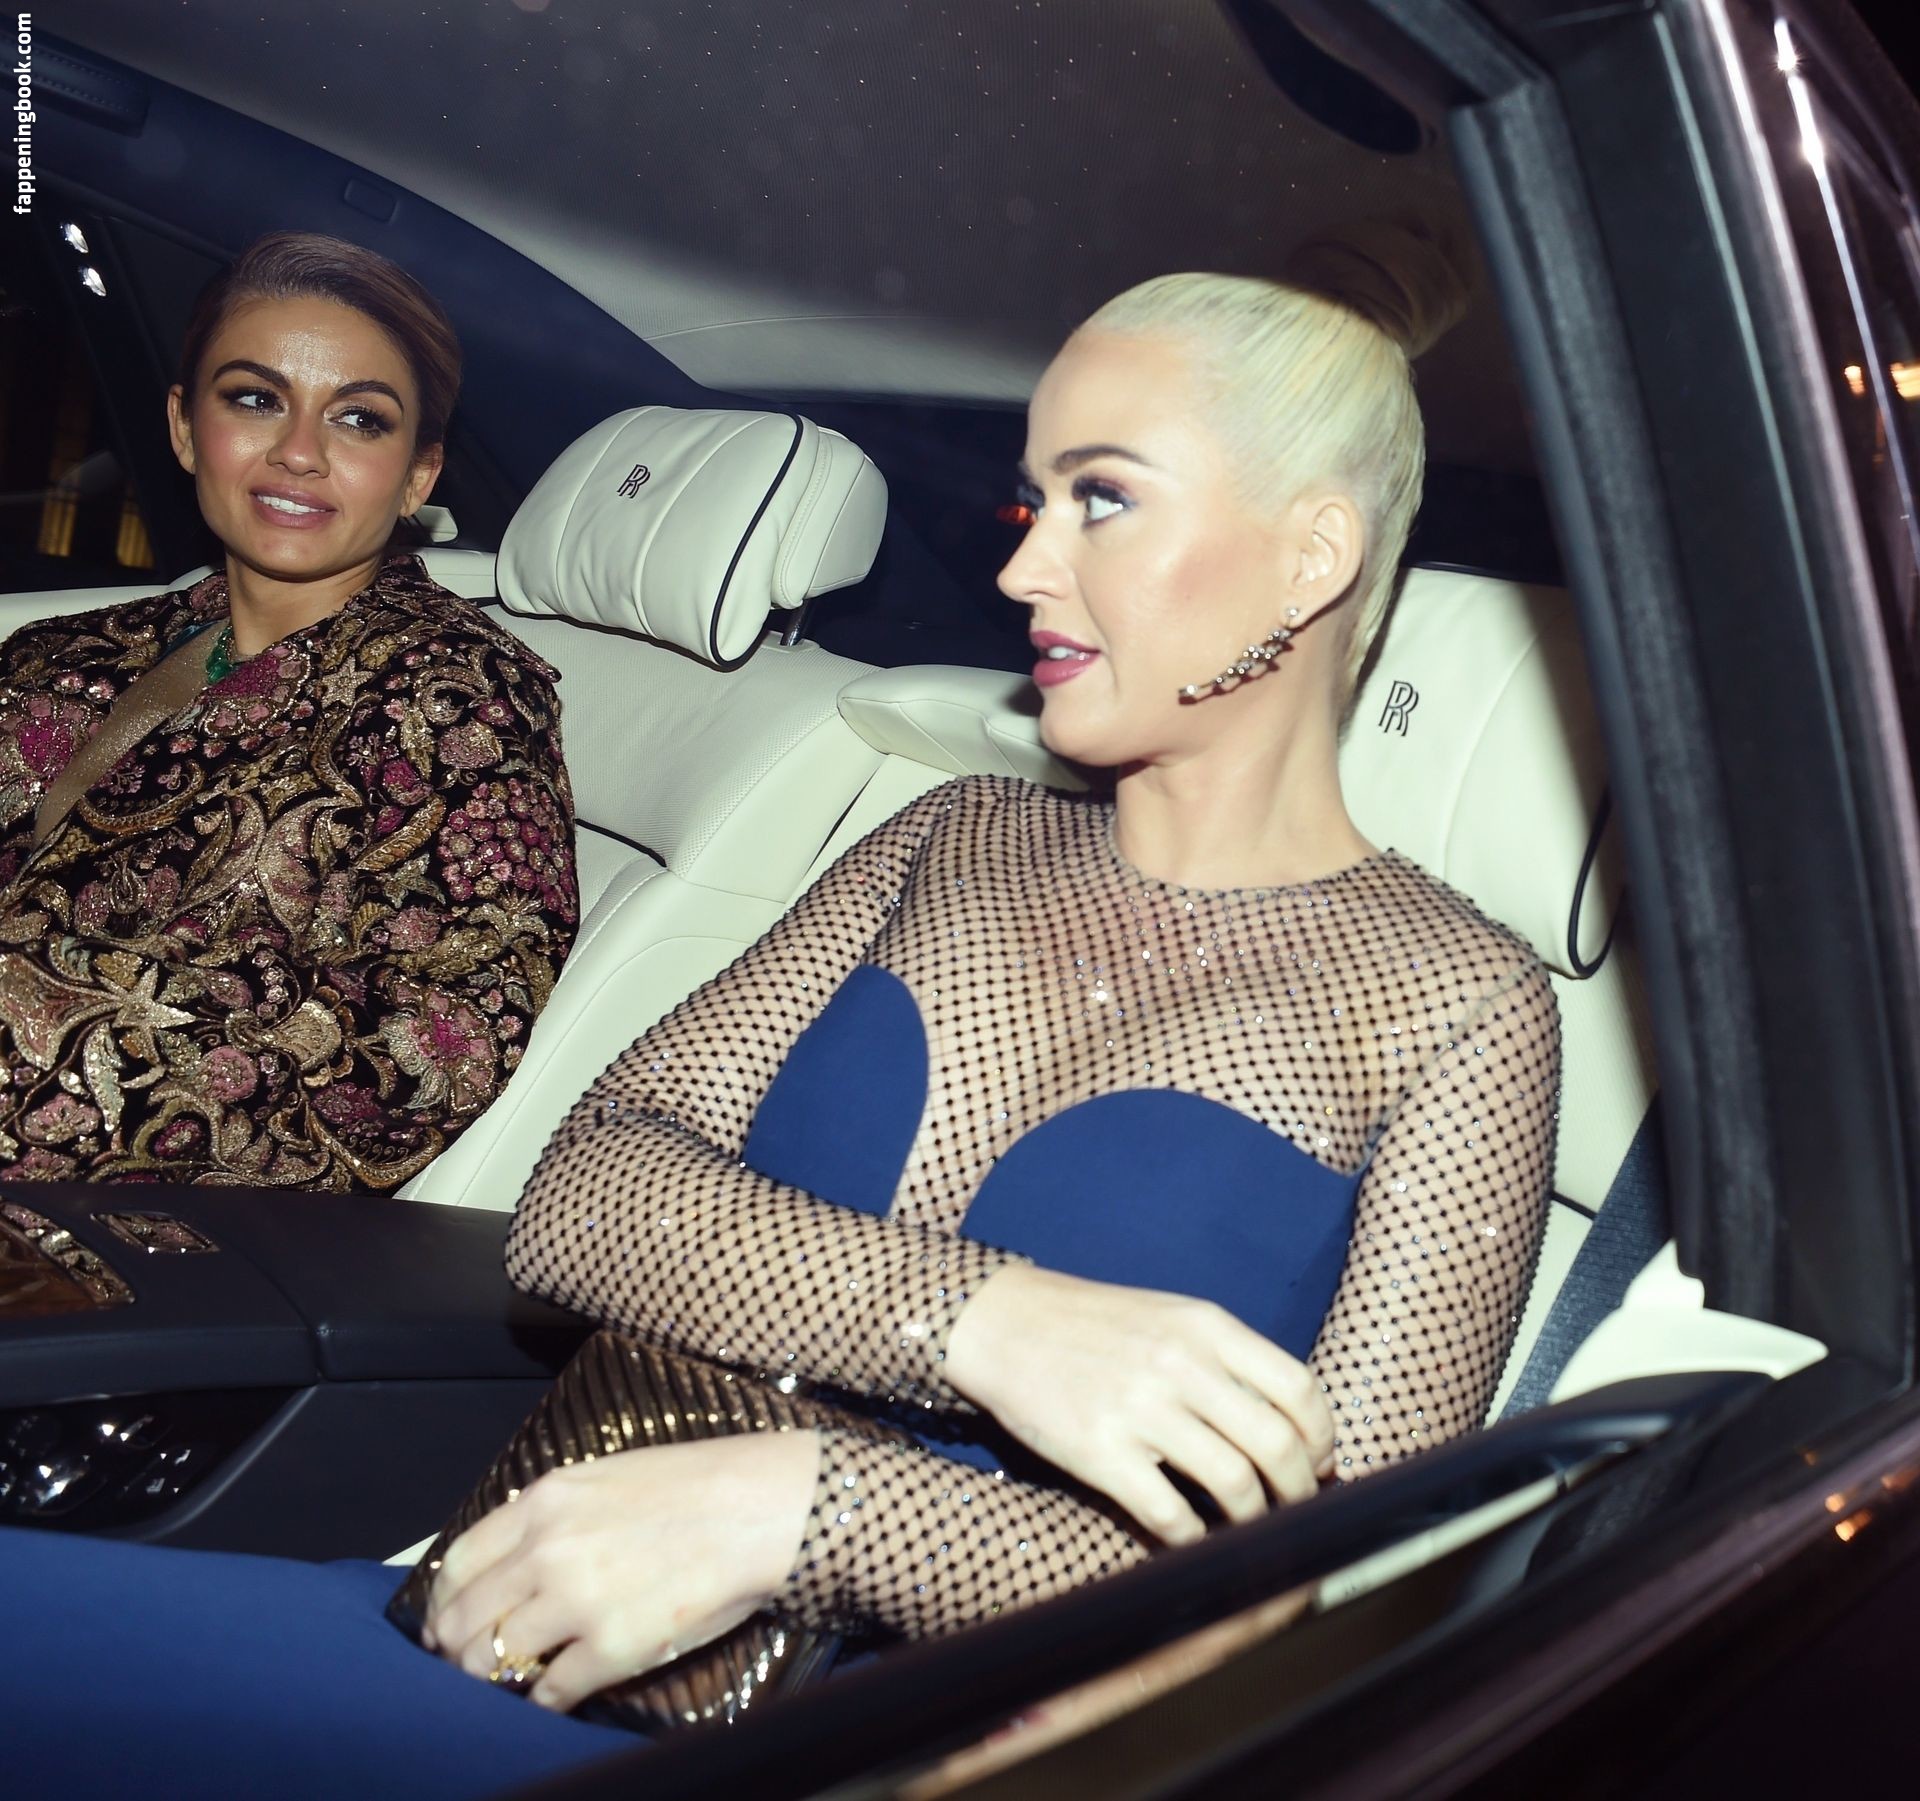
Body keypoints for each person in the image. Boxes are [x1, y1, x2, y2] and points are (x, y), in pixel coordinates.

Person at [1, 223, 1559, 1799]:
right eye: (1034, 501)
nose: (1021, 567)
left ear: (1311, 556)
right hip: (512, 1607)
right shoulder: (951, 836)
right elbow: (586, 1191)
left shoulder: (1458, 1008)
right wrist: (989, 1324)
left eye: (1104, 498)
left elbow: (1340, 1576)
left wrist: (813, 1514)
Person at [0, 233, 577, 1188]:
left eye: (359, 419)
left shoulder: (458, 697)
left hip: (119, 1207)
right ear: (186, 427)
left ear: (419, 474)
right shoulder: (66, 654)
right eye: (256, 399)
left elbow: (430, 1045)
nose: (299, 452)